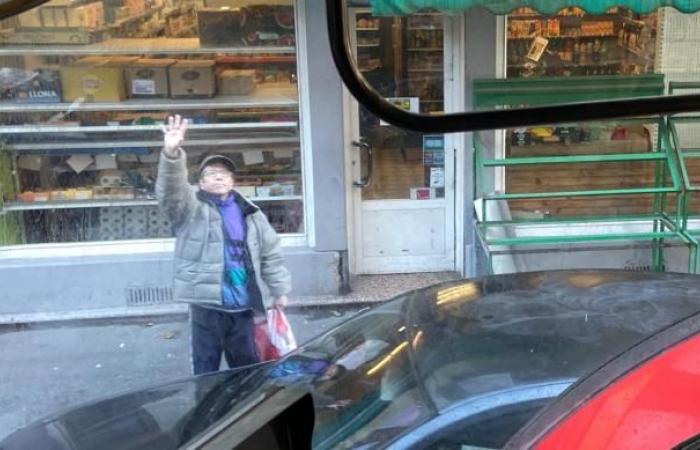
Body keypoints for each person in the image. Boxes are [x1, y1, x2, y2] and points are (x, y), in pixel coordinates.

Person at [156, 114, 291, 375]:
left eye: (224, 174)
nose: (218, 178)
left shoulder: (251, 213)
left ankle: (245, 412)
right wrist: (171, 154)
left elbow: (271, 253)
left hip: (242, 306)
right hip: (207, 308)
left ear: (232, 181)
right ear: (201, 183)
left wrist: (279, 290)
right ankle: (209, 414)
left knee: (247, 370)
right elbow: (171, 193)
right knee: (206, 371)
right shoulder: (190, 210)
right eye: (211, 174)